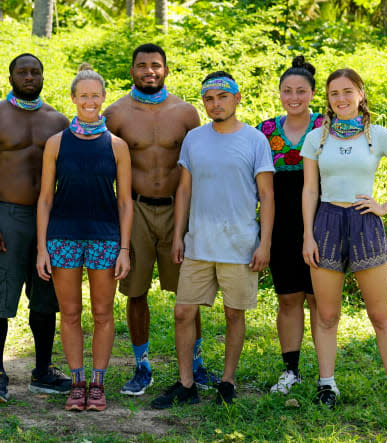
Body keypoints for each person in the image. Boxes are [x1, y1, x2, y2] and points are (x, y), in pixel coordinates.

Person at [151, 72, 275, 409]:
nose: (215, 103)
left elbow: (266, 194)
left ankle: (228, 381)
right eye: (209, 98)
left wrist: (264, 244)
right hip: (199, 244)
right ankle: (186, 383)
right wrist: (178, 236)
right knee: (182, 312)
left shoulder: (254, 140)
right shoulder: (195, 139)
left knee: (234, 315)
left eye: (222, 96)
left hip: (240, 245)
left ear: (237, 98)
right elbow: (185, 189)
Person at [300, 68, 387, 407]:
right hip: (325, 222)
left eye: (347, 91)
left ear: (361, 94)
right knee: (326, 314)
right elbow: (310, 190)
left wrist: (384, 206)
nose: (340, 99)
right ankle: (327, 384)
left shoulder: (378, 135)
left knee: (379, 312)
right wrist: (308, 236)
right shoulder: (317, 138)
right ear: (327, 99)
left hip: (365, 223)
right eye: (334, 93)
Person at [104, 43, 217, 396]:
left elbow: (197, 167)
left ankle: (196, 365)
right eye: (142, 65)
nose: (149, 70)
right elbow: (103, 167)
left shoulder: (185, 113)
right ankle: (142, 366)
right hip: (133, 209)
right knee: (135, 291)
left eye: (156, 65)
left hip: (176, 210)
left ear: (166, 70)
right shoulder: (116, 114)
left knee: (189, 290)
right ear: (132, 71)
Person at [0, 53, 71, 403]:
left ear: (43, 76)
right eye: (22, 72)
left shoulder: (58, 121)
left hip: (48, 219)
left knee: (46, 296)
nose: (29, 76)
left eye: (35, 71)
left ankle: (42, 371)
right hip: (7, 216)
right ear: (11, 76)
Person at [36, 64, 132, 411]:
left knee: (104, 313)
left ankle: (98, 383)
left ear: (103, 98)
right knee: (71, 313)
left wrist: (124, 248)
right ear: (73, 99)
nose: (90, 101)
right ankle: (77, 383)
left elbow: (124, 201)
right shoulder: (56, 144)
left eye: (96, 95)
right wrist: (41, 247)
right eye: (84, 96)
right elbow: (45, 197)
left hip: (105, 239)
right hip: (63, 238)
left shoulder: (118, 146)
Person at [256, 56, 323, 396]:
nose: (293, 97)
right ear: (279, 93)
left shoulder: (327, 126)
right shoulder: (265, 130)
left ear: (312, 92)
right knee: (288, 299)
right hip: (280, 226)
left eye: (301, 90)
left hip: (322, 223)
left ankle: (326, 374)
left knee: (319, 300)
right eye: (287, 91)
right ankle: (291, 369)